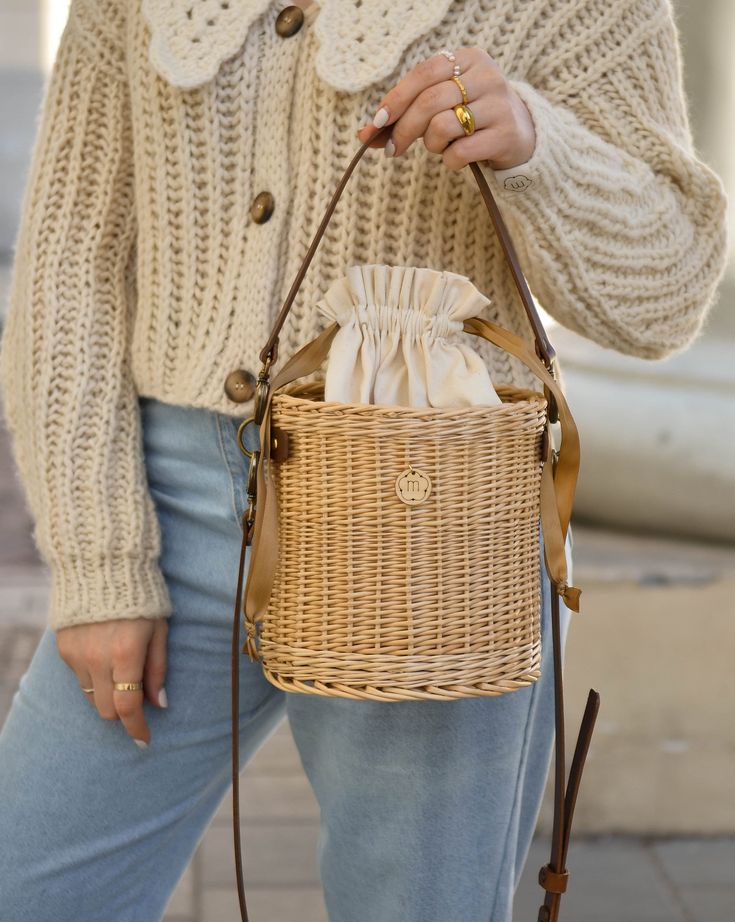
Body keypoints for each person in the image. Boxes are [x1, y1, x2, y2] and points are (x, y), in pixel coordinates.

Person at [0, 0, 727, 920]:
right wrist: (99, 560)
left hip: (435, 519)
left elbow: (664, 296)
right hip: (165, 499)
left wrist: (540, 148)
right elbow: (72, 262)